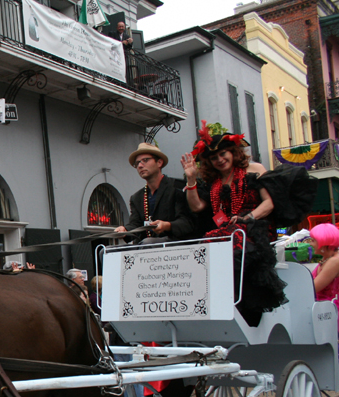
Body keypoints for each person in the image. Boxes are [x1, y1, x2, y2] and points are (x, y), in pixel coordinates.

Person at [181, 121, 286, 325]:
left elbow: (269, 203)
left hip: (256, 227)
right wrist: (191, 179)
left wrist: (249, 217)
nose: (220, 160)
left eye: (223, 154)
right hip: (228, 231)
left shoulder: (253, 169)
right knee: (207, 240)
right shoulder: (214, 184)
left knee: (235, 235)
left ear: (233, 152)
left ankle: (239, 298)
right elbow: (196, 207)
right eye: (214, 157)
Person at [116, 143, 195, 243]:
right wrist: (125, 230)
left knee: (147, 242)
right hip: (146, 248)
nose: (140, 166)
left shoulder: (177, 187)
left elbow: (187, 222)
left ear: (159, 162)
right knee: (106, 251)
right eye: (137, 163)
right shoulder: (137, 198)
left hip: (175, 245)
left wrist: (167, 226)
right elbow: (135, 225)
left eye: (145, 160)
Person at [310, 224, 339, 326]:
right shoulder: (326, 259)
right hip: (324, 313)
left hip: (331, 315)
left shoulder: (334, 261)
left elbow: (313, 288)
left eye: (313, 240)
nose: (310, 243)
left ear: (323, 241)